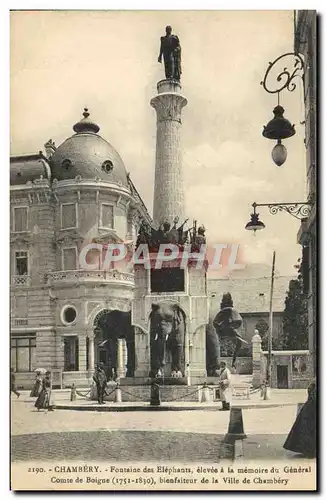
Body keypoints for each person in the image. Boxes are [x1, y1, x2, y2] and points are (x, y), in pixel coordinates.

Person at [283, 379, 316, 458]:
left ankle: (310, 450)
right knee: (308, 429)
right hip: (311, 409)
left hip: (310, 408)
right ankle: (310, 451)